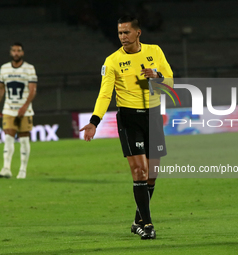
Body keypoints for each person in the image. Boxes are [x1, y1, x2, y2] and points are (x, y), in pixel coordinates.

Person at [80, 15, 173, 239]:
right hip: (129, 118)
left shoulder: (155, 51)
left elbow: (170, 82)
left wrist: (157, 76)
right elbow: (105, 94)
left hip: (152, 116)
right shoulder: (111, 61)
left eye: (126, 32)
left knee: (152, 173)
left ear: (137, 33)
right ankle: (147, 225)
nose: (122, 36)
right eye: (120, 33)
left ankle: (137, 220)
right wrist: (94, 121)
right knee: (139, 170)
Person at [0, 42, 37, 179]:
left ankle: (22, 170)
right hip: (9, 109)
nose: (16, 53)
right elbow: (1, 88)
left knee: (24, 140)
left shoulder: (29, 69)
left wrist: (24, 106)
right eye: (14, 51)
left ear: (22, 53)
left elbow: (32, 90)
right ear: (11, 52)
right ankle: (6, 168)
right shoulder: (4, 68)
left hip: (25, 111)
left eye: (19, 51)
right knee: (8, 137)